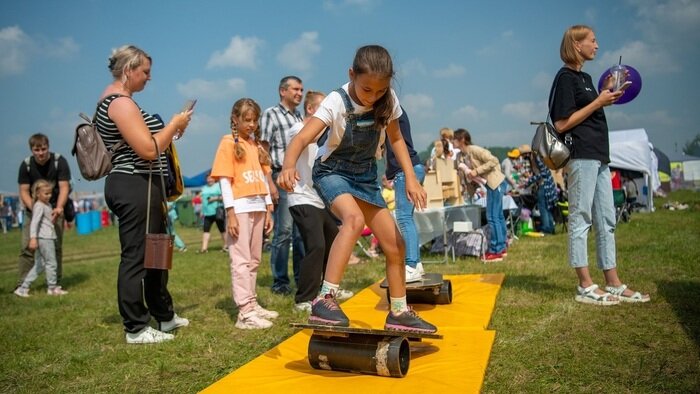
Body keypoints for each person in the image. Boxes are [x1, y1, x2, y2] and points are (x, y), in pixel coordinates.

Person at [277, 45, 437, 333]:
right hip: (331, 172)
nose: (373, 96)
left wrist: (410, 177)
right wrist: (288, 165)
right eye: (367, 90)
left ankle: (398, 313)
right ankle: (324, 299)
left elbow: (397, 139)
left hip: (365, 177)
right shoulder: (335, 102)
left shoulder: (387, 100)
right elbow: (302, 138)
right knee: (353, 220)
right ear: (351, 74)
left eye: (380, 91)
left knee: (396, 245)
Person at [98, 45, 192, 344]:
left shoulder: (124, 102)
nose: (149, 78)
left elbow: (152, 142)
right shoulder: (119, 104)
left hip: (145, 185)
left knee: (157, 253)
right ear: (129, 70)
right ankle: (135, 327)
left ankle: (163, 316)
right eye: (146, 72)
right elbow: (149, 149)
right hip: (132, 183)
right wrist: (173, 125)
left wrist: (172, 131)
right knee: (136, 256)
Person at [551, 25, 650, 305]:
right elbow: (561, 123)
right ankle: (585, 285)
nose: (597, 45)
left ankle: (613, 282)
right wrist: (597, 102)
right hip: (581, 155)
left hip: (599, 155)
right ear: (576, 44)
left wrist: (605, 95)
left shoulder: (586, 77)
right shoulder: (565, 78)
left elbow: (591, 107)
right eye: (592, 41)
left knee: (607, 219)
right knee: (581, 218)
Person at [211, 98, 278, 329]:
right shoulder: (227, 142)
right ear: (235, 119)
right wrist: (230, 212)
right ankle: (244, 313)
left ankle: (252, 302)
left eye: (254, 120)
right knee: (240, 260)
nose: (251, 124)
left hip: (259, 206)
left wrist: (268, 208)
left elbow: (264, 179)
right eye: (246, 120)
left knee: (255, 259)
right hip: (240, 208)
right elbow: (224, 180)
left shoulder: (256, 145)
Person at [286, 90, 353, 312]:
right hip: (301, 196)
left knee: (334, 240)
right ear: (311, 110)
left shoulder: (323, 134)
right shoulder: (298, 129)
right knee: (316, 245)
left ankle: (329, 289)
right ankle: (304, 298)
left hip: (318, 198)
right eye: (324, 109)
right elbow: (308, 136)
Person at [261, 75, 306, 295]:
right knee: (284, 230)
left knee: (300, 231)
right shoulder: (271, 114)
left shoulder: (300, 117)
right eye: (295, 89)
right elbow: (263, 148)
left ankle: (300, 277)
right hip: (280, 175)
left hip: (299, 178)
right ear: (282, 91)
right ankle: (280, 282)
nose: (299, 93)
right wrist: (268, 181)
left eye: (301, 90)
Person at [16, 133, 71, 291]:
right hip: (32, 211)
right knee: (27, 248)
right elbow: (24, 191)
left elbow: (64, 187)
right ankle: (22, 284)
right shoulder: (26, 165)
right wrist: (38, 209)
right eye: (36, 150)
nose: (40, 153)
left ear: (48, 147)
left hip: (54, 211)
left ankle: (54, 283)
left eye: (43, 149)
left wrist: (58, 208)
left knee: (56, 248)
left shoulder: (59, 161)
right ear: (32, 150)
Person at [452, 128, 507, 262]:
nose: (452, 141)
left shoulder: (474, 150)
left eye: (454, 138)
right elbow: (461, 172)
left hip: (496, 182)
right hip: (490, 185)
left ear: (462, 140)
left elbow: (493, 160)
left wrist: (476, 171)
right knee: (497, 216)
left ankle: (496, 251)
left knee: (493, 217)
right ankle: (501, 248)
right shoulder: (461, 156)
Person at [384, 109, 425, 282]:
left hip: (405, 171)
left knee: (403, 218)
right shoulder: (394, 111)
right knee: (406, 217)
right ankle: (417, 264)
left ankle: (412, 264)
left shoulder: (390, 110)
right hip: (410, 169)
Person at [14, 180, 68, 297]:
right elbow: (34, 222)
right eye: (46, 193)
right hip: (44, 238)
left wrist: (54, 216)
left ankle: (23, 288)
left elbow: (47, 222)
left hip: (48, 237)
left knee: (40, 264)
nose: (49, 196)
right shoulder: (38, 206)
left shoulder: (47, 205)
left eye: (50, 193)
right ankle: (52, 288)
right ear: (37, 193)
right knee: (51, 263)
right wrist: (33, 238)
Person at [524, 148, 558, 234]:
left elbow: (542, 173)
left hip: (544, 185)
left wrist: (529, 182)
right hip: (547, 185)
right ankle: (551, 227)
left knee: (543, 208)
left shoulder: (536, 157)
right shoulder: (538, 156)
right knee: (547, 207)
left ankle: (546, 228)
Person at [198, 175, 226, 253]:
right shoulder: (204, 188)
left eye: (211, 178)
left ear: (214, 179)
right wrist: (201, 211)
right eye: (208, 178)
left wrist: (214, 198)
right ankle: (204, 249)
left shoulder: (218, 186)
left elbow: (224, 196)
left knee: (222, 230)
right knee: (205, 230)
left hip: (217, 212)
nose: (209, 180)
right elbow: (202, 201)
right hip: (207, 213)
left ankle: (226, 246)